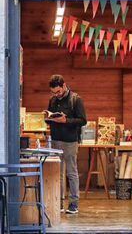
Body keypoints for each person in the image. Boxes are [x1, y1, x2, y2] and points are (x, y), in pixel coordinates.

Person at [46, 74, 87, 214]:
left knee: (71, 173)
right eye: (53, 92)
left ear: (64, 86)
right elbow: (49, 117)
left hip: (70, 141)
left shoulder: (75, 99)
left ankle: (73, 204)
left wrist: (66, 121)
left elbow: (82, 120)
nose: (56, 94)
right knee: (57, 173)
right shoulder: (52, 100)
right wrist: (48, 118)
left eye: (58, 91)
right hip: (55, 140)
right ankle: (58, 203)